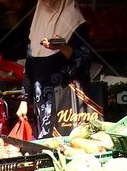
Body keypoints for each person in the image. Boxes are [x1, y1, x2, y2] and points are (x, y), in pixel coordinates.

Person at [16, 0, 91, 138]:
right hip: (41, 103)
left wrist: (62, 47)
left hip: (67, 104)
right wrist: (24, 100)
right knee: (44, 146)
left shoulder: (75, 21)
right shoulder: (39, 19)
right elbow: (29, 64)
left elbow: (84, 63)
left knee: (67, 146)